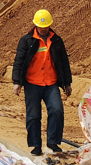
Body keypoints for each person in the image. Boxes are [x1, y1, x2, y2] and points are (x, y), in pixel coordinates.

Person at [12, 9, 72, 156]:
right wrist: (17, 82)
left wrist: (67, 83)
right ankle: (36, 145)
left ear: (50, 26)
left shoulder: (56, 40)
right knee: (33, 115)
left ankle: (53, 142)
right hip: (32, 83)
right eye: (41, 27)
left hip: (50, 83)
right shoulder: (27, 41)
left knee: (57, 110)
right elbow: (19, 62)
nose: (43, 30)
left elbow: (64, 62)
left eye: (46, 27)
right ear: (36, 26)